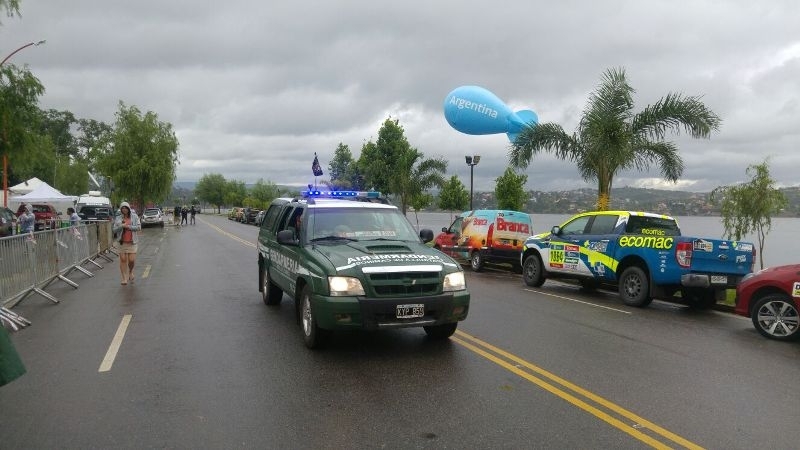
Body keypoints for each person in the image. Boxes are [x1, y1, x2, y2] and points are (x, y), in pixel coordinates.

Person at [113, 202, 140, 285]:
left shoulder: (134, 217)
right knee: (123, 259)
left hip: (132, 242)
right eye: (122, 208)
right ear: (121, 209)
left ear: (128, 209)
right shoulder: (118, 218)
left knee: (131, 260)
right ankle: (124, 278)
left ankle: (130, 271)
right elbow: (114, 230)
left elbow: (138, 227)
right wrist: (121, 226)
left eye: (126, 208)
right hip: (121, 242)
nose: (124, 209)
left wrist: (128, 227)